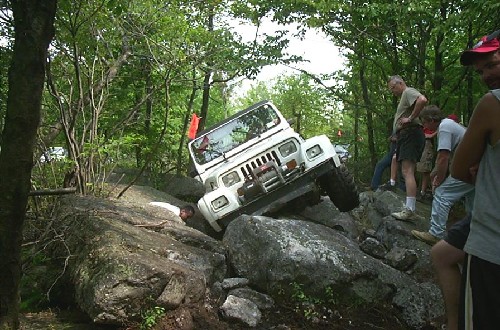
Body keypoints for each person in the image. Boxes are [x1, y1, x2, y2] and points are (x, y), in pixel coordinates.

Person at [451, 30, 500, 329]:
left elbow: (458, 169)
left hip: (491, 247)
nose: (485, 76)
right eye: (481, 71)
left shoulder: (492, 104)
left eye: (492, 64)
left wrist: (478, 163)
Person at [411, 105, 474, 245]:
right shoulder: (451, 125)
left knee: (441, 194)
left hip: (470, 167)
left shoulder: (444, 127)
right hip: (477, 168)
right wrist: (436, 174)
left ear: (431, 120)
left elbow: (443, 157)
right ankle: (475, 235)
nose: (424, 126)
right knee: (472, 203)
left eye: (425, 122)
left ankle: (435, 233)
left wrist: (439, 180)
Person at [387, 75, 427, 221]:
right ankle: (410, 207)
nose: (393, 91)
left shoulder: (408, 91)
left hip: (410, 133)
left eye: (393, 87)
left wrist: (409, 119)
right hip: (407, 135)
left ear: (400, 83)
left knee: (407, 171)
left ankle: (409, 209)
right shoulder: (405, 94)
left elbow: (422, 100)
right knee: (407, 170)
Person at [430, 214, 471, 330]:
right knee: (442, 254)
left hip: (489, 216)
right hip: (486, 213)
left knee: (442, 254)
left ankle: (455, 325)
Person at [416, 124, 437, 201]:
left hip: (427, 144)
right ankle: (418, 190)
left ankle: (422, 192)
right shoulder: (420, 123)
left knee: (426, 170)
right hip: (422, 143)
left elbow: (431, 135)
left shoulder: (432, 123)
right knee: (419, 169)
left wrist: (431, 135)